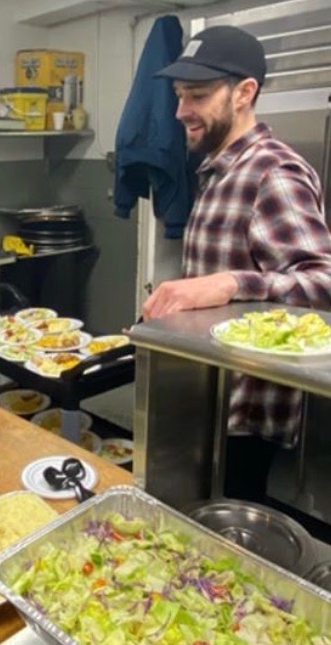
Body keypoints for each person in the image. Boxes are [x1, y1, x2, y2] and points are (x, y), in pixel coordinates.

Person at [142, 26, 331, 503]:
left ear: (245, 93)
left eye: (198, 95)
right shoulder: (218, 168)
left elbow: (323, 282)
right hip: (207, 393)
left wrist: (228, 283)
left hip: (246, 408)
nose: (181, 110)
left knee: (228, 526)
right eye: (180, 95)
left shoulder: (274, 172)